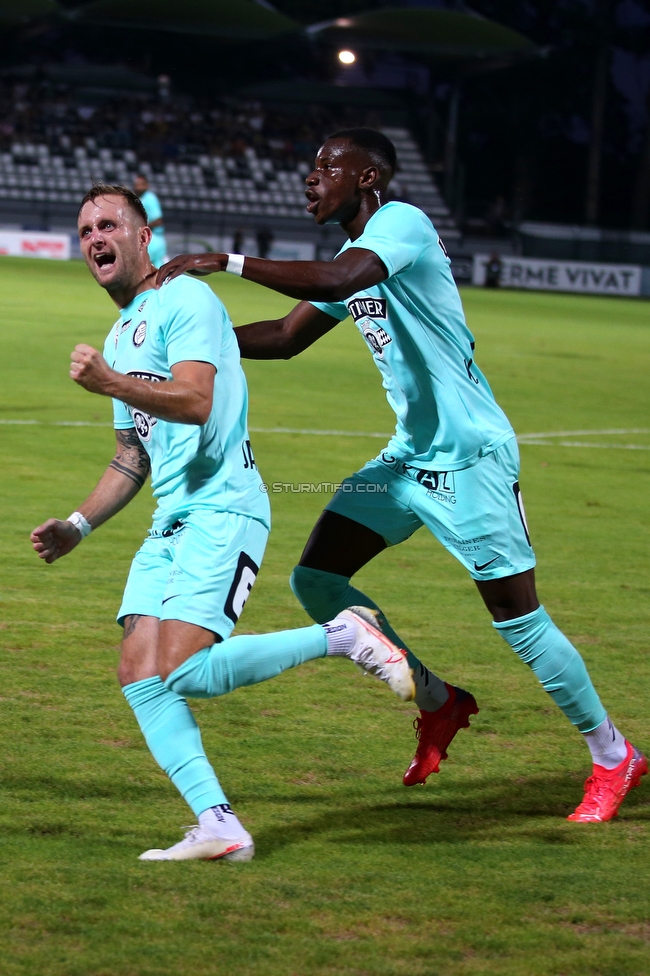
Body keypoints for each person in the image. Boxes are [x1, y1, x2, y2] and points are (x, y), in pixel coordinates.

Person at [158, 128, 647, 823]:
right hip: (406, 460)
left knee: (519, 621)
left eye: (328, 167)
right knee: (317, 579)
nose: (311, 177)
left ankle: (612, 754)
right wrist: (189, 348)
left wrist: (226, 259)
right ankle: (439, 702)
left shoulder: (401, 226)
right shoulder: (351, 255)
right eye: (311, 165)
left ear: (366, 179)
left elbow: (343, 279)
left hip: (469, 459)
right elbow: (284, 337)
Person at [30, 182, 419, 862]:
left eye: (110, 224)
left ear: (143, 234)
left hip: (224, 508)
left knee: (181, 671)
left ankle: (342, 635)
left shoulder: (186, 299)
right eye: (86, 227)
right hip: (170, 520)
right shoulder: (123, 332)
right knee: (137, 673)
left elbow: (196, 400)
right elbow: (130, 457)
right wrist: (78, 525)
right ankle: (218, 824)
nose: (96, 237)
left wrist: (112, 384)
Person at [134, 174, 168, 268]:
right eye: (136, 184)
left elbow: (158, 220)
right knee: (158, 270)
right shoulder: (139, 198)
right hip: (150, 237)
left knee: (141, 266)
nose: (138, 186)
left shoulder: (150, 198)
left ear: (147, 185)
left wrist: (143, 227)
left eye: (141, 184)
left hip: (153, 238)